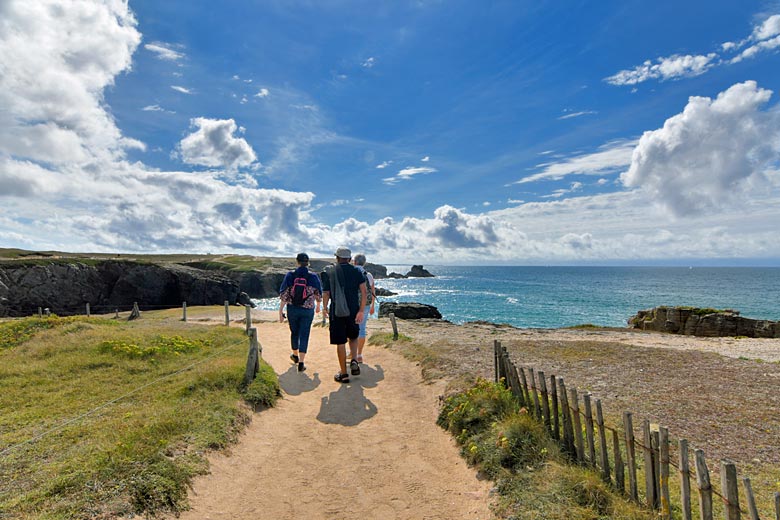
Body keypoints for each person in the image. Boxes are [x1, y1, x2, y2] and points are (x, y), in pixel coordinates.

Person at [321, 247, 366, 383]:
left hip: (337, 310)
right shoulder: (357, 271)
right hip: (353, 309)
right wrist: (361, 310)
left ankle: (344, 374)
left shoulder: (330, 271)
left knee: (340, 342)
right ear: (350, 258)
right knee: (353, 336)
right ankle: (353, 359)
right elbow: (364, 292)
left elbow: (326, 293)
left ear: (337, 258)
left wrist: (324, 307)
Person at [279, 253, 322, 372]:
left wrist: (280, 310)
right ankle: (302, 363)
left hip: (292, 308)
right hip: (308, 310)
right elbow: (318, 293)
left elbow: (284, 294)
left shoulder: (290, 275)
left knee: (294, 332)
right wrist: (318, 305)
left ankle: (295, 355)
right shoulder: (313, 277)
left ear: (297, 262)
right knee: (305, 334)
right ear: (308, 263)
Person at [352, 253, 376, 364]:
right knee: (362, 328)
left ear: (354, 262)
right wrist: (372, 305)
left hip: (352, 304)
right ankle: (359, 354)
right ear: (364, 263)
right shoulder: (369, 275)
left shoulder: (351, 272)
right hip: (365, 304)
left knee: (351, 328)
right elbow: (372, 291)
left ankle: (353, 354)